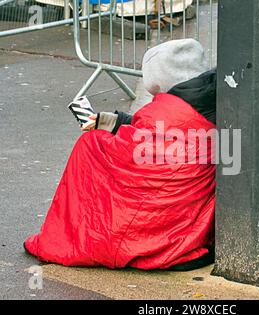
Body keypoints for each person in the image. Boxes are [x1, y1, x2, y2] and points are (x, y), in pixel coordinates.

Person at [24, 39, 217, 271]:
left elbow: (137, 149)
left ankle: (72, 236)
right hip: (190, 226)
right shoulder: (212, 95)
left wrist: (102, 135)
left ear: (161, 80)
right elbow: (152, 135)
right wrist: (110, 122)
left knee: (91, 144)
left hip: (165, 231)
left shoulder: (166, 109)